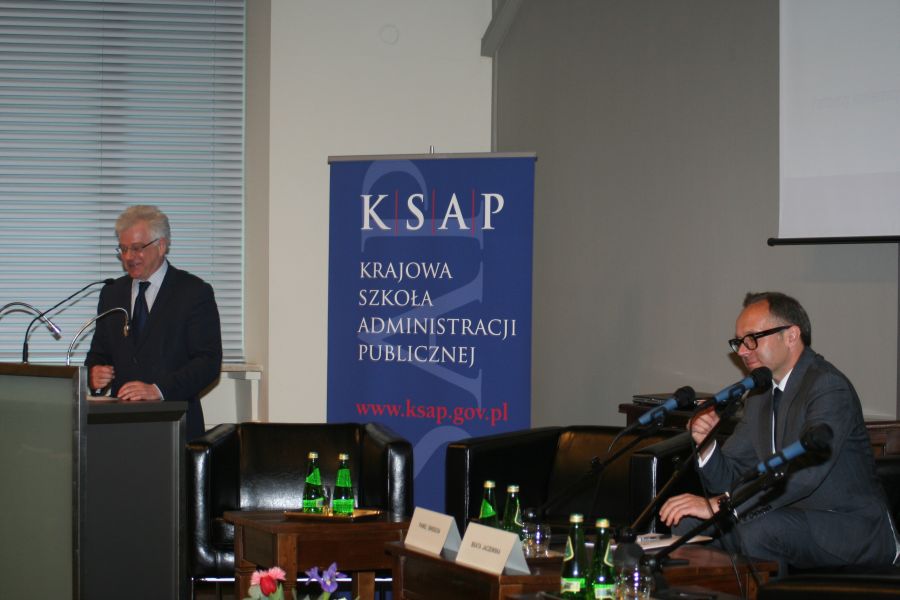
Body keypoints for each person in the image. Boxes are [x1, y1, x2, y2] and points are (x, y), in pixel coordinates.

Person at [659, 291, 898, 572]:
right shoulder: (759, 396)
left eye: (752, 339)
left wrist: (723, 504)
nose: (742, 351)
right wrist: (708, 445)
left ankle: (767, 590)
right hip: (784, 517)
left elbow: (805, 473)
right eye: (738, 342)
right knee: (688, 524)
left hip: (850, 528)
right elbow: (731, 477)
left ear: (791, 336)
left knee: (761, 530)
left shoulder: (828, 386)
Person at [86, 205, 222, 440]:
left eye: (137, 248)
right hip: (119, 429)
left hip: (174, 426)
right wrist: (94, 374)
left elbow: (208, 362)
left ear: (161, 246)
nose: (128, 257)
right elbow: (99, 354)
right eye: (123, 249)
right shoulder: (112, 293)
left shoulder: (193, 292)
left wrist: (158, 389)